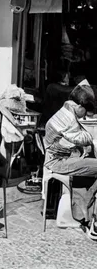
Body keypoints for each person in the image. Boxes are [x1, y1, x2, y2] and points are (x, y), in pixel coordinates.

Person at [42, 85, 97, 237]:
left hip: (61, 157)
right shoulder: (69, 119)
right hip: (58, 162)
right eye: (85, 112)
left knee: (89, 168)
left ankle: (84, 215)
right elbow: (85, 137)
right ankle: (93, 220)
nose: (84, 116)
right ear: (79, 106)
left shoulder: (66, 109)